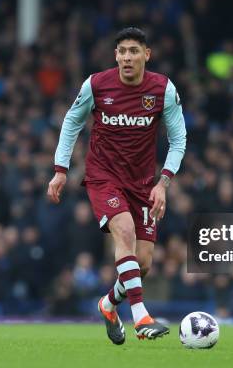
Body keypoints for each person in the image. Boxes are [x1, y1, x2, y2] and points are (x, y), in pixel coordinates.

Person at [47, 27, 186, 343]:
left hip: (142, 184)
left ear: (146, 55)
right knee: (124, 231)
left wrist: (163, 183)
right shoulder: (96, 84)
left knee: (144, 263)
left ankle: (108, 305)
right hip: (103, 177)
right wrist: (60, 169)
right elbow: (71, 122)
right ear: (115, 56)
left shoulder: (163, 90)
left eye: (134, 51)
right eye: (122, 51)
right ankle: (141, 317)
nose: (127, 57)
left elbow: (179, 139)